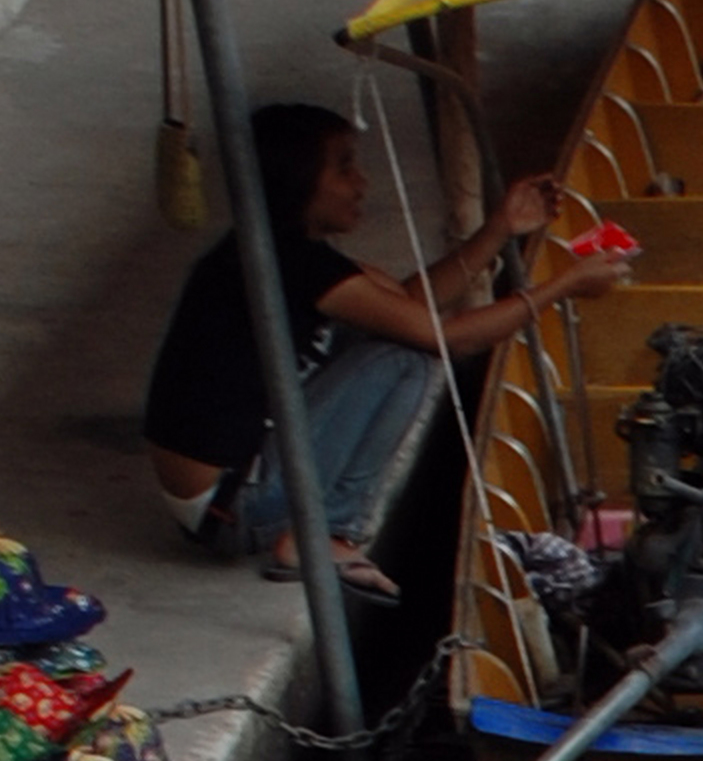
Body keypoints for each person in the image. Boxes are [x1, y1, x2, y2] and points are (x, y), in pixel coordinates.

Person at [144, 108, 556, 539]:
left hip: (219, 499)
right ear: (299, 178)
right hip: (233, 509)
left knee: (391, 331)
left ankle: (318, 527)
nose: (362, 183)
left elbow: (410, 301)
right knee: (407, 359)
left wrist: (501, 228)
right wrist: (561, 288)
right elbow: (450, 338)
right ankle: (337, 528)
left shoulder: (271, 249)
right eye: (344, 168)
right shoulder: (290, 264)